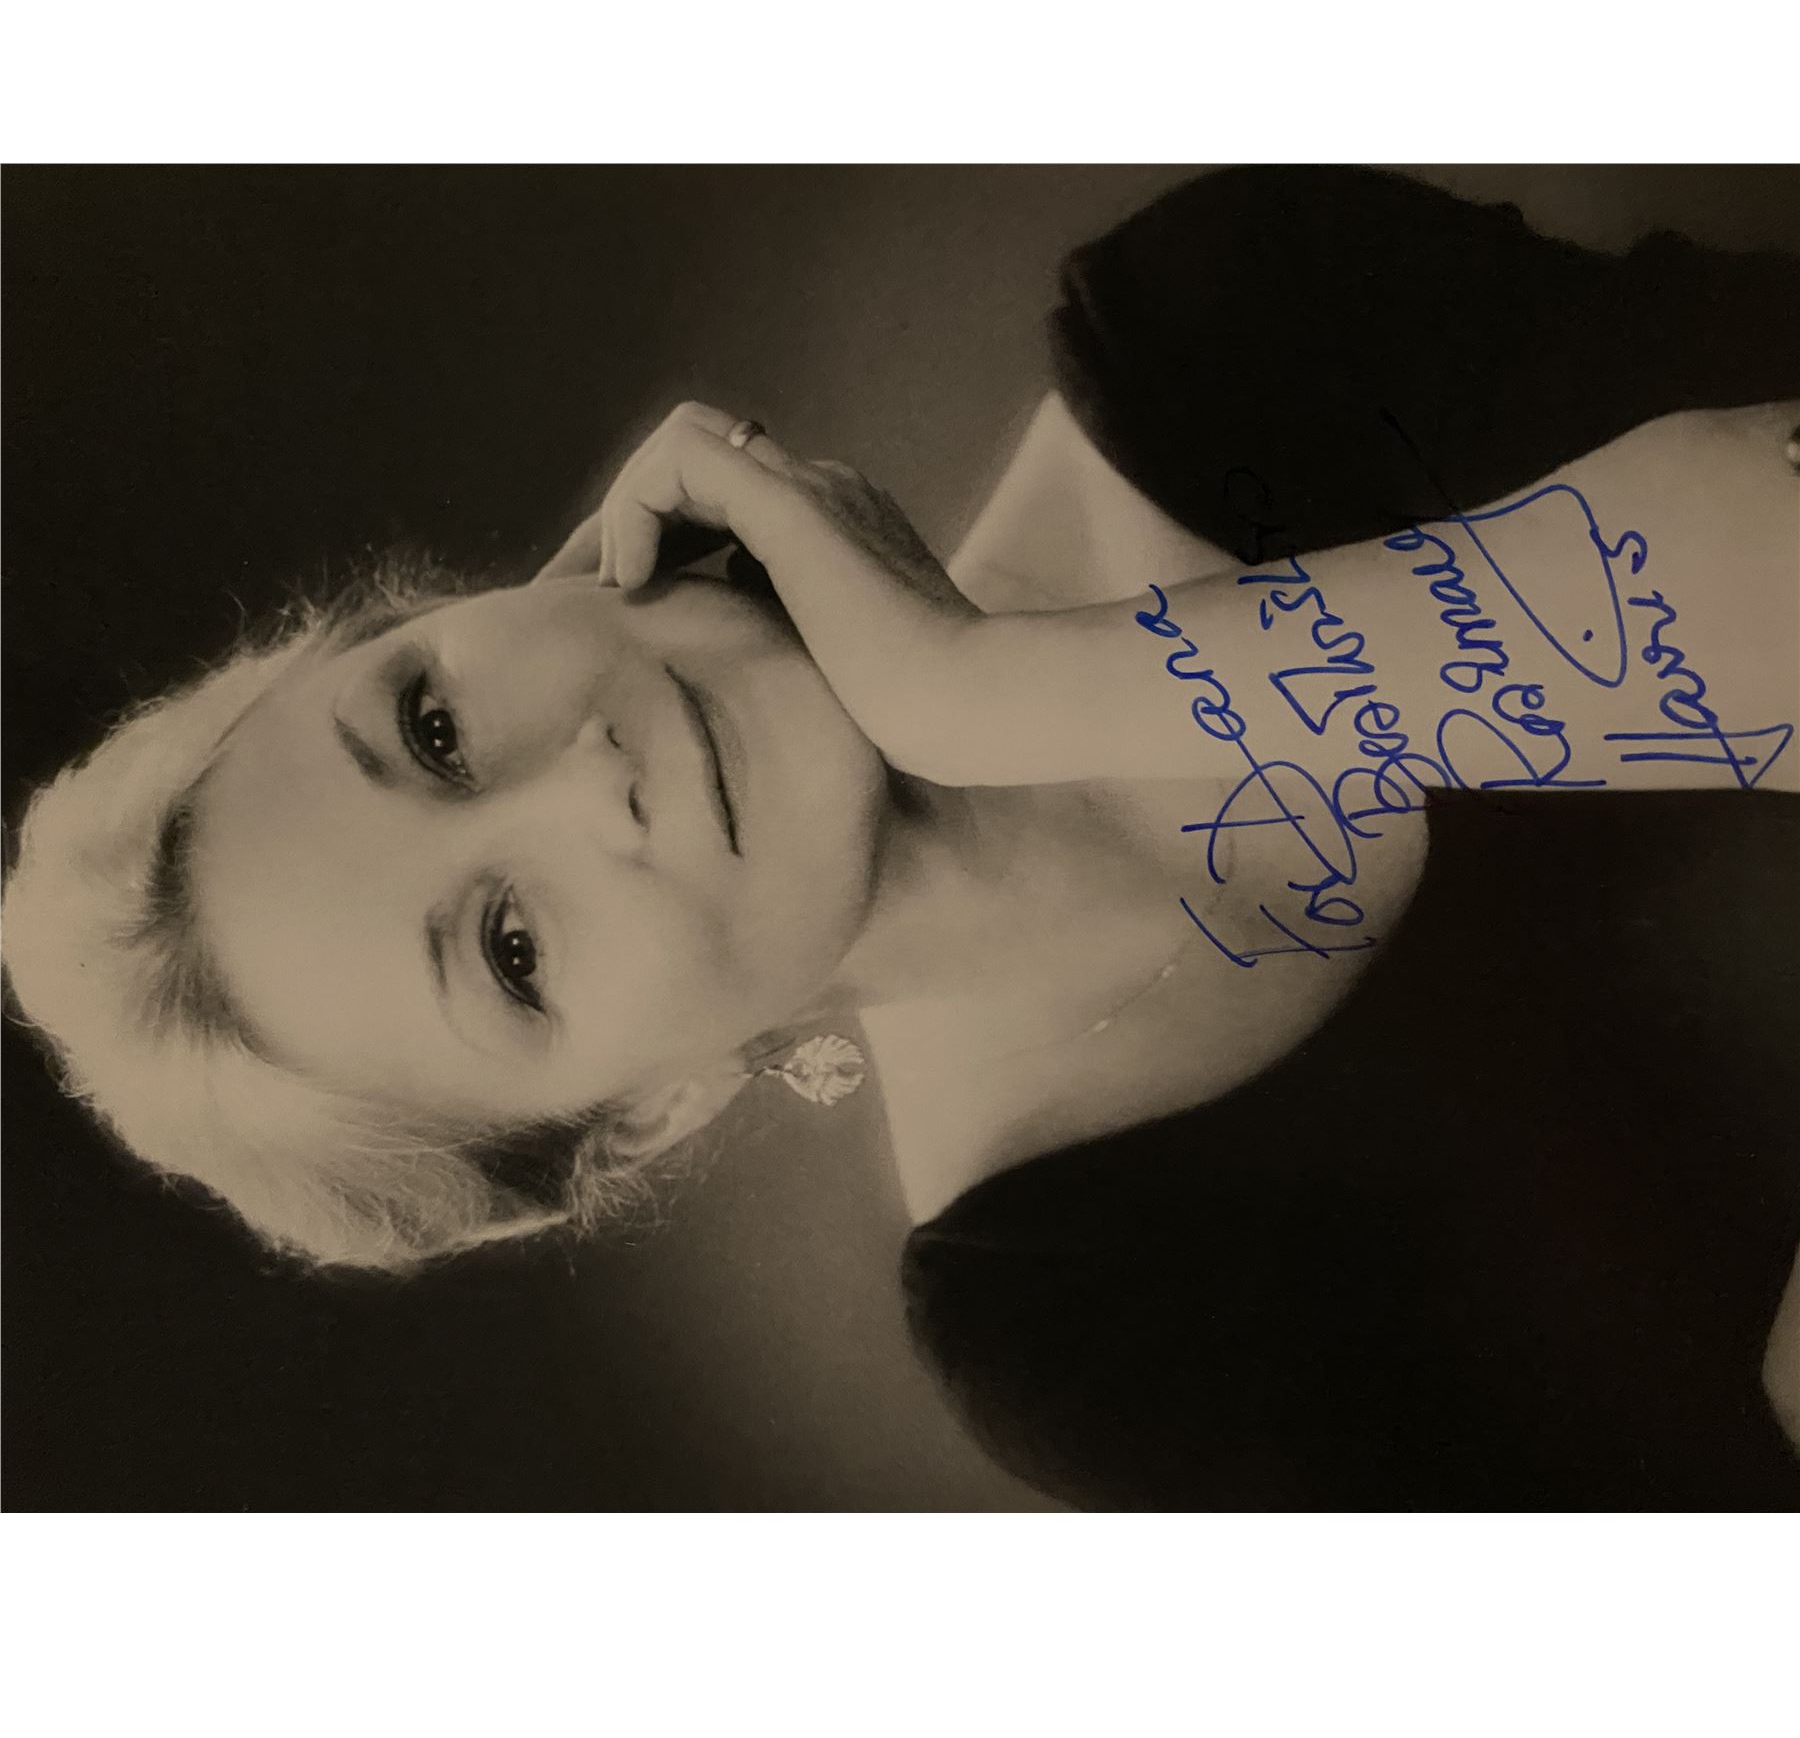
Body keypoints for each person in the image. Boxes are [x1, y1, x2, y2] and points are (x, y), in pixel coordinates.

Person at [5, 166, 1798, 1508]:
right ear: (652, 1109)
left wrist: (1003, 693)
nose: (584, 782)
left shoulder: (1216, 332)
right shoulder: (1085, 1324)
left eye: (434, 725)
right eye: (514, 950)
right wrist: (969, 704)